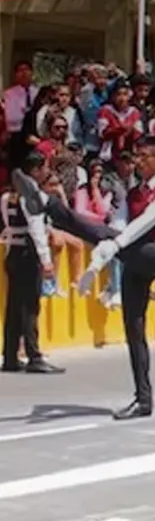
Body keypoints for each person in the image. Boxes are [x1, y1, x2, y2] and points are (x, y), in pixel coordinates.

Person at [13, 136, 155, 419]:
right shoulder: (134, 192)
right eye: (137, 156)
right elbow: (118, 226)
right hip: (133, 254)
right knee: (134, 329)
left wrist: (113, 246)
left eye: (144, 156)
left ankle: (48, 204)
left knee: (107, 237)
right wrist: (99, 256)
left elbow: (145, 222)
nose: (138, 161)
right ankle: (143, 399)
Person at [1, 153, 65, 374]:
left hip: (13, 253)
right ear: (35, 170)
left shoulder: (7, 197)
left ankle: (10, 356)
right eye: (44, 168)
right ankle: (34, 355)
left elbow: (8, 227)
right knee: (30, 307)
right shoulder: (31, 196)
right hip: (28, 255)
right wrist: (46, 260)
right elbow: (37, 230)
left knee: (13, 307)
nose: (47, 172)